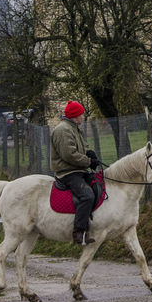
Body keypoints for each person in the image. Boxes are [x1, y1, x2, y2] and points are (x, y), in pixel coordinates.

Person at [50, 100, 100, 245]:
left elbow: (82, 147)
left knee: (98, 186)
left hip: (78, 169)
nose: (83, 116)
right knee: (87, 195)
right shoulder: (63, 130)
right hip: (68, 172)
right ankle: (78, 232)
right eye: (81, 114)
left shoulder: (74, 127)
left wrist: (89, 153)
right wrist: (88, 162)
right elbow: (69, 155)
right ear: (74, 115)